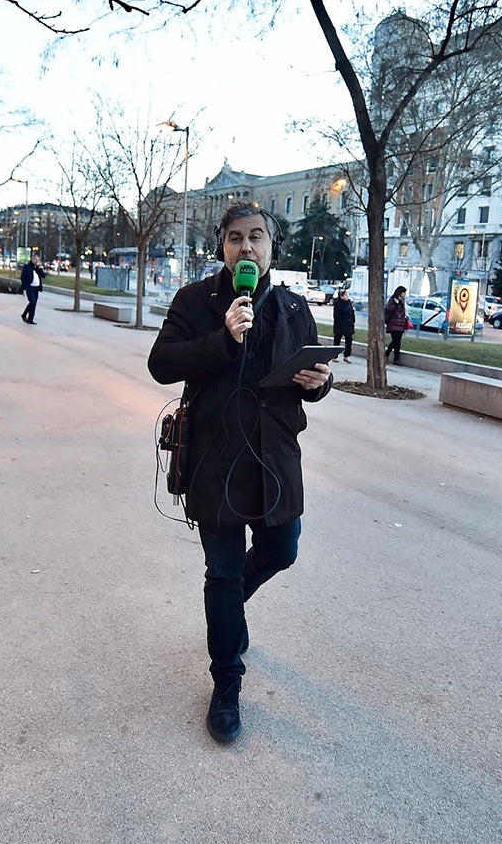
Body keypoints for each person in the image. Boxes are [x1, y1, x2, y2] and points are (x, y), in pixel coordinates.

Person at [147, 201, 332, 744]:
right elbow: (161, 363)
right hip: (214, 460)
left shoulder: (294, 307)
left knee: (282, 551)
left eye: (256, 236)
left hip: (276, 459)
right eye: (234, 237)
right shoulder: (196, 300)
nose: (245, 246)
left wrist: (319, 383)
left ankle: (229, 613)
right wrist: (223, 338)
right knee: (223, 574)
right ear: (222, 247)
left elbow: (313, 378)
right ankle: (226, 683)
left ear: (272, 246)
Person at [385, 285, 410, 366]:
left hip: (400, 324)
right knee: (395, 340)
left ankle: (396, 359)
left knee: (398, 342)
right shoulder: (393, 300)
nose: (405, 294)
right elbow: (389, 309)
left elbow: (403, 311)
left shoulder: (402, 301)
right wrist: (396, 303)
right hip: (393, 323)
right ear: (400, 293)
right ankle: (386, 353)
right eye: (404, 293)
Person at [332, 287, 356, 363]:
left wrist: (353, 320)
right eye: (345, 295)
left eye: (347, 295)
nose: (347, 296)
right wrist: (340, 324)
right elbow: (337, 316)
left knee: (349, 341)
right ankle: (335, 356)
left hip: (349, 325)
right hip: (340, 325)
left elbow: (352, 312)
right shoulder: (338, 303)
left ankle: (347, 356)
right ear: (341, 296)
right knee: (337, 341)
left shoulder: (349, 303)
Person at [19, 254, 44, 324]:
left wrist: (40, 269)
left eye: (38, 260)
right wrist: (24, 287)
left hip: (36, 288)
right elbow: (23, 277)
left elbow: (43, 276)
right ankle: (24, 314)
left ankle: (30, 319)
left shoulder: (37, 268)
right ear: (32, 259)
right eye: (35, 259)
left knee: (34, 304)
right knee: (32, 302)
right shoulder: (27, 267)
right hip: (30, 287)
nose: (36, 261)